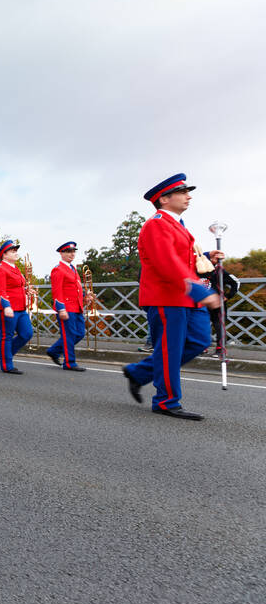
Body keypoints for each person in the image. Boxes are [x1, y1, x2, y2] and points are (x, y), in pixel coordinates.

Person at [122, 173, 222, 420]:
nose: (189, 196)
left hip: (186, 295)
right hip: (166, 296)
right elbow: (166, 263)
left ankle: (139, 372)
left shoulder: (177, 224)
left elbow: (183, 259)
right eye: (183, 192)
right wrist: (202, 291)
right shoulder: (156, 224)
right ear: (165, 199)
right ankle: (166, 400)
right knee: (170, 350)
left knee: (199, 341)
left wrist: (207, 256)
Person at [0, 240, 34, 374]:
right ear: (4, 254)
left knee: (27, 333)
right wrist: (6, 306)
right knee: (6, 336)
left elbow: (17, 286)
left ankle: (4, 353)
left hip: (20, 308)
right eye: (13, 251)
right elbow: (1, 290)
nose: (16, 253)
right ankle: (7, 364)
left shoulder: (15, 269)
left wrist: (27, 290)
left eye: (16, 250)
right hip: (6, 308)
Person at [46, 241, 89, 371]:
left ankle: (54, 351)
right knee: (69, 335)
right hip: (66, 308)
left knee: (80, 333)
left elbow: (75, 289)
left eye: (73, 251)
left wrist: (85, 297)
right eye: (68, 252)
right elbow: (57, 292)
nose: (72, 254)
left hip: (77, 307)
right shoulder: (58, 269)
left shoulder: (73, 268)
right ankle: (70, 363)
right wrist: (61, 309)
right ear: (61, 253)